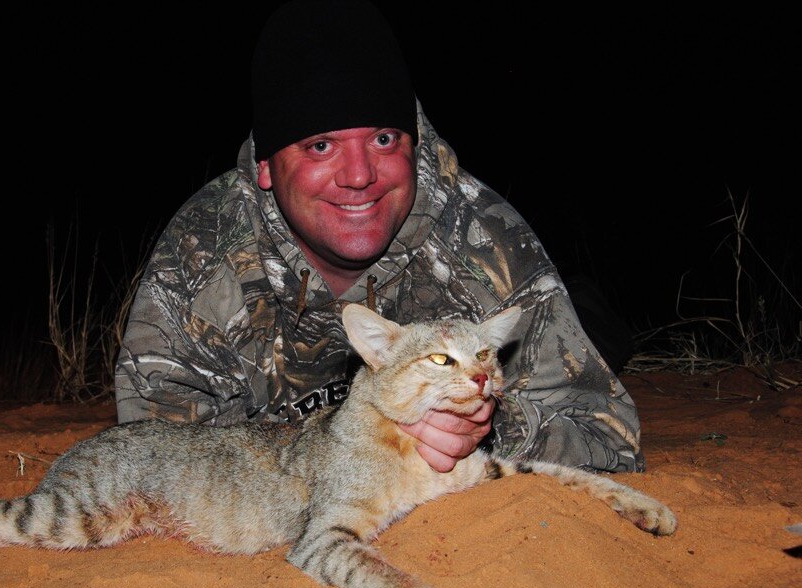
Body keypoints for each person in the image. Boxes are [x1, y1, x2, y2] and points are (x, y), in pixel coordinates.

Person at [114, 0, 643, 474]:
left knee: (595, 332)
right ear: (268, 166)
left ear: (412, 145)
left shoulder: (484, 240)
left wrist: (485, 426)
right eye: (320, 146)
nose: (360, 175)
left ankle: (590, 310)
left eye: (384, 139)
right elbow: (152, 452)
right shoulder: (203, 252)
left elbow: (611, 441)